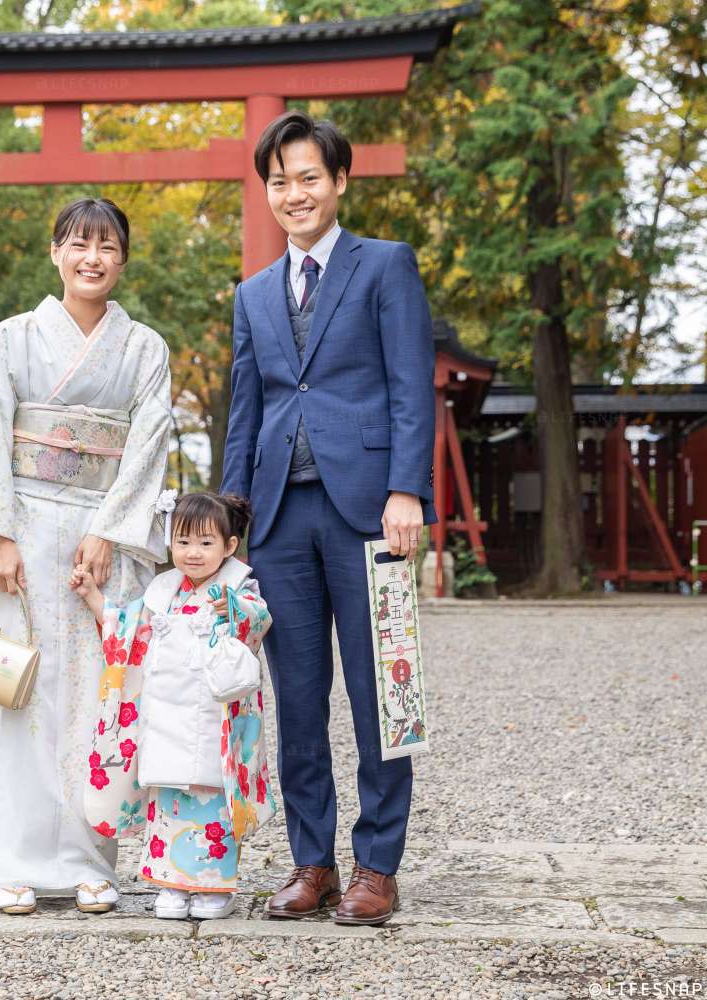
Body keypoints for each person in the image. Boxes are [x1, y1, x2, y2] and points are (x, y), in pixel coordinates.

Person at [220, 110, 437, 925]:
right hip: (278, 518)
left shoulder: (385, 266)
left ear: (340, 181)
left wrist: (406, 489)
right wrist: (231, 520)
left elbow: (410, 383)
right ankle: (311, 862)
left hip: (369, 513)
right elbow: (247, 410)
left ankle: (377, 864)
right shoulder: (253, 294)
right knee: (298, 699)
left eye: (308, 176)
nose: (294, 193)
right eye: (279, 180)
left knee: (386, 691)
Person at [0, 197, 172, 917]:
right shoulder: (13, 338)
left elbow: (149, 442)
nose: (92, 258)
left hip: (98, 538)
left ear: (123, 259)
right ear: (55, 253)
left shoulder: (144, 349)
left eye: (106, 246)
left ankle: (88, 861)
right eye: (78, 244)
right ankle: (15, 861)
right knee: (21, 692)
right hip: (24, 527)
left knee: (94, 700)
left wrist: (110, 532)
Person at [70, 491, 275, 921]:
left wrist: (233, 608)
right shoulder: (162, 592)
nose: (193, 553)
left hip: (215, 719)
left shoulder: (237, 585)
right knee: (169, 798)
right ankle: (171, 884)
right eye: (183, 542)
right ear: (169, 543)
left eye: (205, 543)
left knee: (211, 797)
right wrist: (92, 595)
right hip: (165, 718)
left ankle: (214, 888)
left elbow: (259, 620)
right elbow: (124, 628)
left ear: (229, 546)